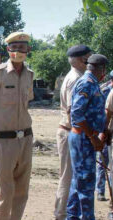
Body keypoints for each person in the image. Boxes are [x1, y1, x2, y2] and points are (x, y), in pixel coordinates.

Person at [0, 32, 34, 220]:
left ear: (28, 50)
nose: (18, 51)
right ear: (8, 49)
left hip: (26, 139)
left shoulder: (30, 75)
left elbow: (26, 106)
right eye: (14, 47)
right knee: (6, 192)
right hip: (4, 141)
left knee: (22, 191)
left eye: (22, 47)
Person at [66, 54, 108, 220]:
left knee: (78, 184)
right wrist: (93, 137)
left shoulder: (92, 83)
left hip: (86, 138)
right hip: (83, 139)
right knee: (86, 184)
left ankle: (72, 217)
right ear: (102, 69)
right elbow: (76, 114)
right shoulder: (87, 83)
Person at [54, 45, 92, 220]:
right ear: (78, 59)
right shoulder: (76, 79)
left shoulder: (76, 76)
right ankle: (61, 215)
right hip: (70, 131)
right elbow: (73, 111)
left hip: (71, 131)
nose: (89, 61)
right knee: (68, 177)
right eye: (87, 57)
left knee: (71, 176)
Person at [95, 71, 113, 202]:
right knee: (103, 162)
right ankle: (100, 191)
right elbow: (103, 112)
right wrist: (102, 131)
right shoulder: (105, 90)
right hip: (107, 131)